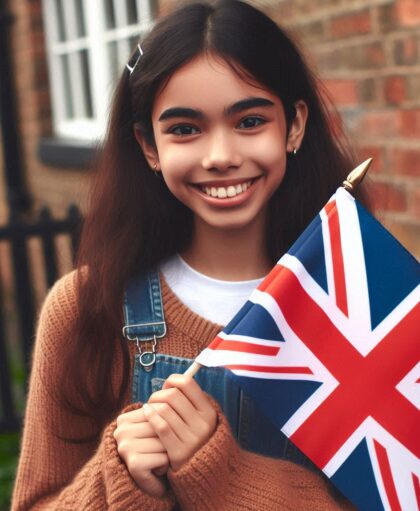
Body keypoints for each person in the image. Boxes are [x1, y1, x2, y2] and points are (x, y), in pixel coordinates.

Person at [12, 1, 369, 509]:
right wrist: (121, 479)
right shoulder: (87, 309)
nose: (220, 155)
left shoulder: (365, 310)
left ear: (293, 126)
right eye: (184, 129)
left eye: (249, 121)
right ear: (149, 146)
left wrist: (222, 473)